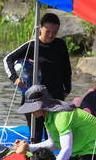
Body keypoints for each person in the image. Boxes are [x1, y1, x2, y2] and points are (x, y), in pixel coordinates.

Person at [4, 12, 72, 141]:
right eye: (48, 31)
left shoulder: (60, 45)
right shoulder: (32, 45)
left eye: (54, 32)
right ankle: (32, 159)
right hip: (34, 98)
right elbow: (8, 59)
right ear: (40, 28)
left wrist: (67, 89)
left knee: (52, 136)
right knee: (35, 135)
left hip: (55, 96)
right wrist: (14, 78)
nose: (51, 35)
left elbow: (67, 68)